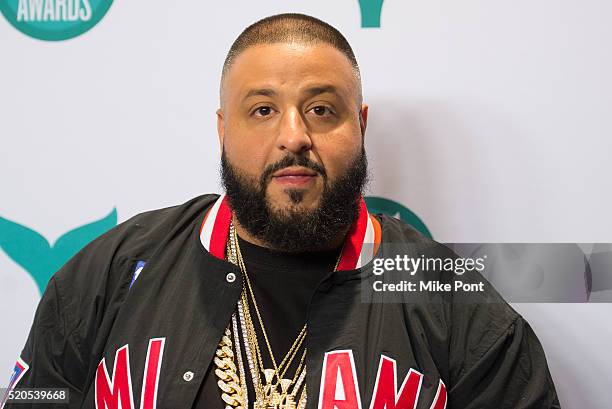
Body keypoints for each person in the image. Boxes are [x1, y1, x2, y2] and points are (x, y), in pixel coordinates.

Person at [2, 13, 560, 409]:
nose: (294, 136)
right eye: (263, 109)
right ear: (224, 129)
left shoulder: (445, 295)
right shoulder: (116, 268)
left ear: (360, 125)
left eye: (321, 109)